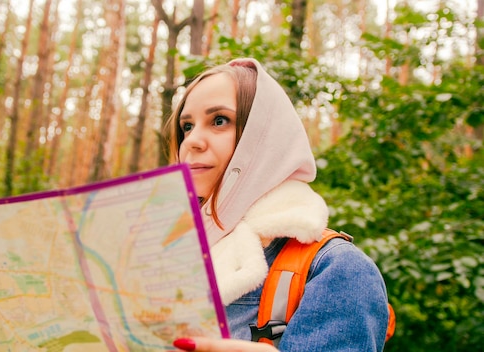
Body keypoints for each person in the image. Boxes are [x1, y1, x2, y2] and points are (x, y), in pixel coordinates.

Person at [164, 58, 390, 351]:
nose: (192, 141)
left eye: (219, 120)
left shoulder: (337, 269)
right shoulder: (165, 260)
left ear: (265, 137)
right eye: (187, 126)